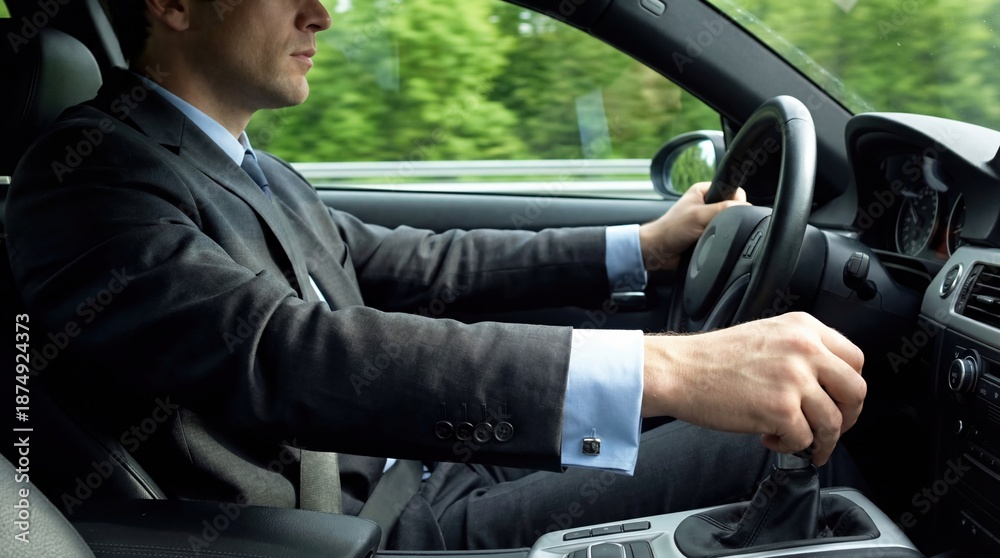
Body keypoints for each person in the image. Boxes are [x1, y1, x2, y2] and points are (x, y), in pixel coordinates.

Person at [6, 0, 867, 550]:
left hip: (424, 464)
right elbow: (281, 351)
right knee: (782, 429)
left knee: (774, 412)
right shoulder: (85, 183)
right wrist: (669, 369)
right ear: (173, 4)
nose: (321, 15)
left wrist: (642, 245)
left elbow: (419, 262)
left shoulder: (250, 168)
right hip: (347, 532)